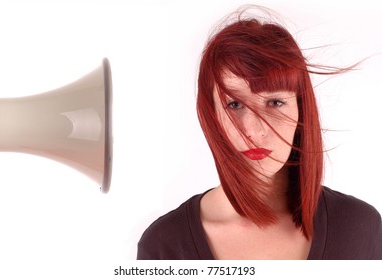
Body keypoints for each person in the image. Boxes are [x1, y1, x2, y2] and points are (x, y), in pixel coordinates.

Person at [137, 6, 382, 260]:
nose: (254, 130)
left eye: (275, 103)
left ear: (301, 109)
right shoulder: (164, 245)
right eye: (234, 104)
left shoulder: (360, 229)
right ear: (211, 115)